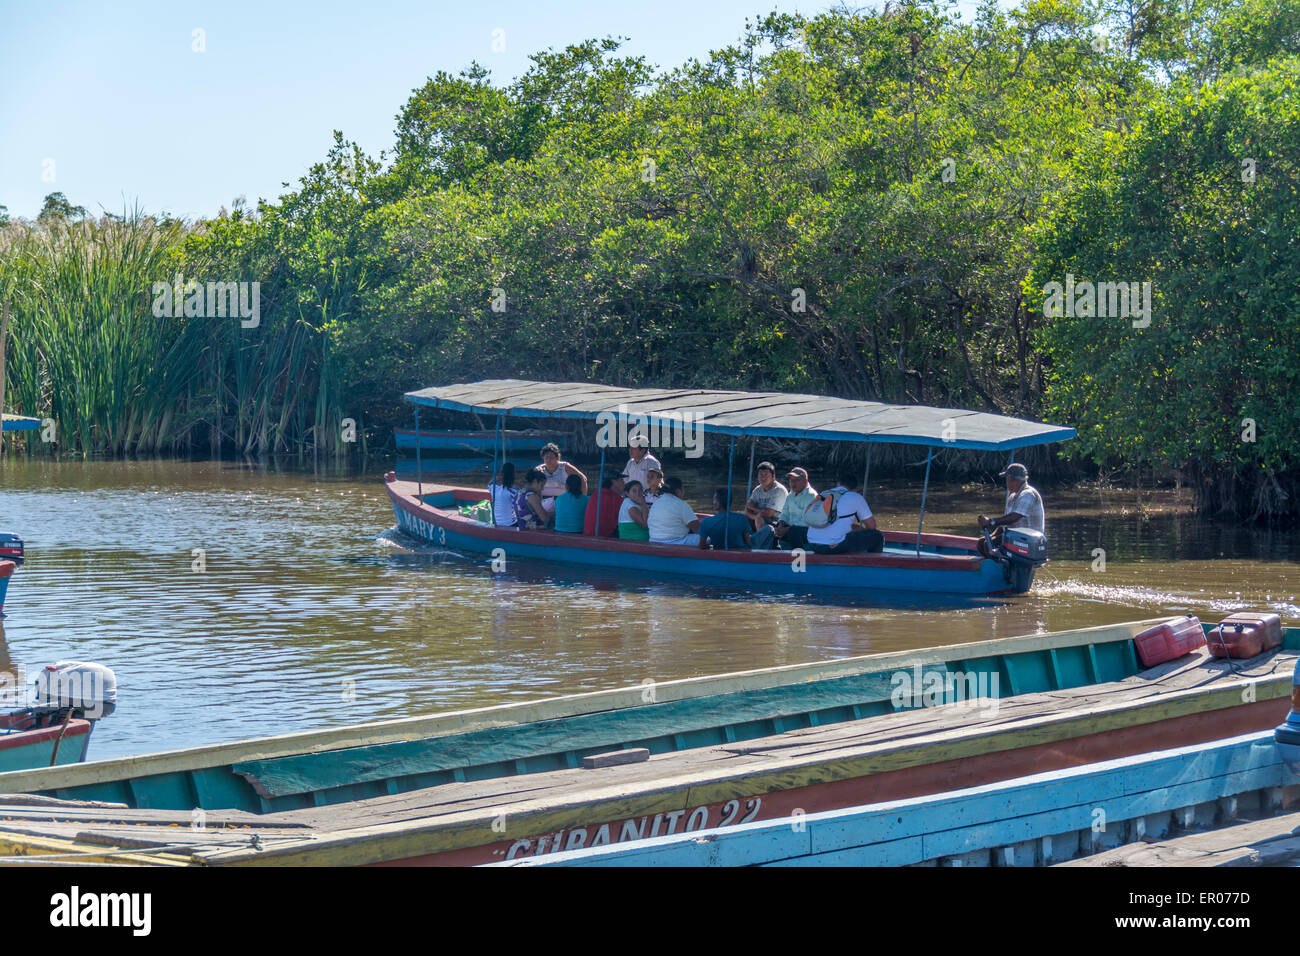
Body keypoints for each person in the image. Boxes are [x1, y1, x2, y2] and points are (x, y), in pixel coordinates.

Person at [797, 472, 883, 554]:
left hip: (812, 543)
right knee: (877, 536)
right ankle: (871, 566)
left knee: (848, 532)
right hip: (834, 546)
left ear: (838, 484)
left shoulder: (824, 494)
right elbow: (872, 526)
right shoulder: (855, 496)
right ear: (855, 490)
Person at [977, 463, 1045, 557]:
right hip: (1015, 537)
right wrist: (991, 536)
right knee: (982, 543)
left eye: (1007, 480)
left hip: (1028, 540)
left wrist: (991, 522)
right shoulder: (1012, 496)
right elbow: (1005, 523)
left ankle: (1002, 568)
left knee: (987, 545)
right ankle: (996, 567)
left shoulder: (1028, 494)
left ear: (1013, 480)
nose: (1006, 482)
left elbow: (1015, 517)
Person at [754, 467, 817, 550]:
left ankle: (797, 555)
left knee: (794, 531)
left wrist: (786, 530)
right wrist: (780, 525)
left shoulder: (811, 496)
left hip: (806, 531)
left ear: (805, 481)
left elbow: (806, 522)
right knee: (770, 528)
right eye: (791, 480)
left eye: (796, 480)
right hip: (790, 528)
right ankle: (772, 552)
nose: (793, 483)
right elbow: (785, 513)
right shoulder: (791, 495)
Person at [647, 476, 702, 545]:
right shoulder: (681, 504)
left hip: (653, 541)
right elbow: (698, 529)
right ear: (678, 491)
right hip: (674, 542)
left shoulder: (656, 503)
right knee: (706, 538)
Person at [536, 442, 587, 513]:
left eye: (551, 457)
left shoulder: (565, 467)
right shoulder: (539, 470)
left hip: (566, 501)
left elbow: (583, 479)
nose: (549, 460)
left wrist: (582, 500)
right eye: (546, 457)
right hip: (544, 504)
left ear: (558, 458)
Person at [744, 461, 788, 532]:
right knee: (741, 519)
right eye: (761, 474)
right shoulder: (757, 490)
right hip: (759, 519)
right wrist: (756, 516)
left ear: (773, 476)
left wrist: (754, 509)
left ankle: (761, 541)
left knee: (760, 519)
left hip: (778, 523)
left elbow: (769, 513)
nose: (763, 477)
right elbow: (747, 509)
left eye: (766, 475)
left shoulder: (779, 490)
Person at [583, 472, 625, 537]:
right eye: (621, 480)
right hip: (603, 537)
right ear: (614, 482)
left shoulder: (595, 495)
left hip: (588, 534)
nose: (624, 483)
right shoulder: (616, 499)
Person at [487, 462, 519, 528]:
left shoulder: (493, 488)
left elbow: (489, 484)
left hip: (497, 522)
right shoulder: (513, 491)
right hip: (510, 524)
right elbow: (518, 508)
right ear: (512, 474)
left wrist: (498, 477)